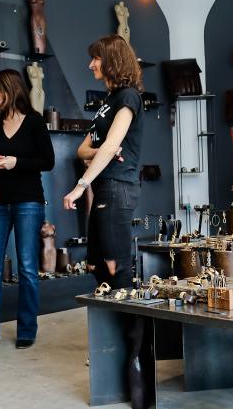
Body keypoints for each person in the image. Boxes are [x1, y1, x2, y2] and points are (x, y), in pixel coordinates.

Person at [0, 69, 55, 352]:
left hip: (28, 202)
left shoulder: (34, 122)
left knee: (28, 269)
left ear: (11, 90)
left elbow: (48, 161)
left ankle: (27, 329)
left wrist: (15, 163)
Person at [63, 34, 144, 290]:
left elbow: (110, 146)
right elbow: (82, 150)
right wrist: (104, 150)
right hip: (103, 188)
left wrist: (80, 186)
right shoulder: (107, 102)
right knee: (96, 264)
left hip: (118, 186)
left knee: (114, 264)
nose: (91, 65)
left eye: (96, 58)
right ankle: (112, 327)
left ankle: (132, 329)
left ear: (112, 60)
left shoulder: (128, 97)